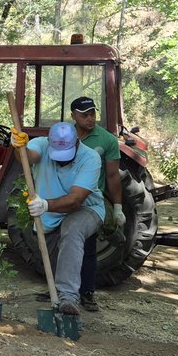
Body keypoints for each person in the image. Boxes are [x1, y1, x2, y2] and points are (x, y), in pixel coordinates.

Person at [14, 120, 104, 316]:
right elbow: (27, 157)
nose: (61, 160)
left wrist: (45, 204)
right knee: (56, 260)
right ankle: (61, 291)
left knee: (72, 229)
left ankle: (69, 298)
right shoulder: (42, 144)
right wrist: (19, 147)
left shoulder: (90, 158)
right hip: (50, 215)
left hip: (87, 210)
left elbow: (76, 200)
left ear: (77, 143)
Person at [68, 95, 125, 312]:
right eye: (84, 115)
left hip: (89, 201)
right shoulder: (64, 134)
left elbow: (112, 176)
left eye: (92, 114)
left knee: (88, 249)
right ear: (73, 115)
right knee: (60, 245)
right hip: (63, 197)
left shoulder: (107, 140)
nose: (90, 118)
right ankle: (62, 289)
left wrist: (118, 207)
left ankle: (87, 293)